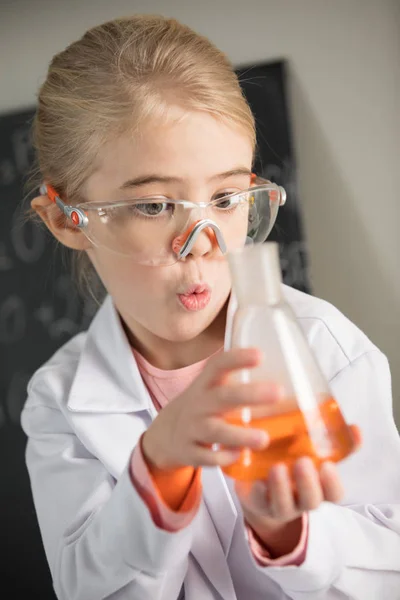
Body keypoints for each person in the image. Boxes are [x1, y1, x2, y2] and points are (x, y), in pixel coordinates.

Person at [21, 14, 400, 600]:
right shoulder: (60, 401)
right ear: (65, 219)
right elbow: (87, 588)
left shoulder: (327, 349)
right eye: (153, 206)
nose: (204, 243)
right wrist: (159, 471)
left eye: (225, 198)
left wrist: (290, 533)